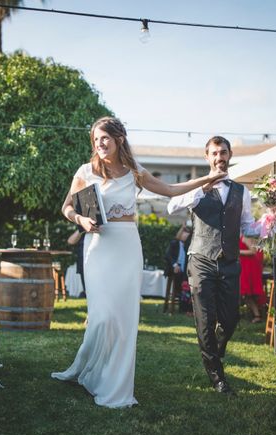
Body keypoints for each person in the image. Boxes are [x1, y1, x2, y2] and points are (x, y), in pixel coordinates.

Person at [52, 117, 225, 408]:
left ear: (118, 138)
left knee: (123, 319)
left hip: (128, 246)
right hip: (98, 247)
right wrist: (80, 218)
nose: (99, 144)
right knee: (102, 317)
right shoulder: (86, 171)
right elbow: (67, 207)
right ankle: (90, 370)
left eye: (104, 138)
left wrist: (207, 178)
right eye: (95, 140)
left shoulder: (134, 172)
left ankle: (114, 385)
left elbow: (170, 190)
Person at [167, 135, 265, 395]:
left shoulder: (241, 191)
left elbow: (246, 227)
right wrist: (201, 188)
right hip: (201, 260)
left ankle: (215, 353)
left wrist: (267, 223)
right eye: (214, 153)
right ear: (207, 157)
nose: (219, 158)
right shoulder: (197, 187)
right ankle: (217, 376)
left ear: (229, 155)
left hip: (230, 262)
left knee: (231, 319)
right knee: (206, 320)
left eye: (223, 152)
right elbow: (171, 206)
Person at [163, 225, 192, 313]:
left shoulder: (187, 245)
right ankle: (180, 298)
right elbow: (168, 255)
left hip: (183, 269)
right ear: (180, 233)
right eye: (184, 233)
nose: (185, 236)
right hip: (174, 268)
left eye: (187, 234)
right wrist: (174, 265)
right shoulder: (174, 242)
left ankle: (185, 305)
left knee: (189, 278)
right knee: (179, 275)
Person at [239, 235, 266, 323]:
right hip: (244, 266)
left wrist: (237, 252)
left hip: (249, 267)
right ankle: (256, 314)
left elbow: (253, 251)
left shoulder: (245, 237)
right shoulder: (241, 236)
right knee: (246, 293)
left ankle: (258, 315)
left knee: (248, 292)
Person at [67, 229, 86, 297]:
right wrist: (81, 228)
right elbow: (70, 241)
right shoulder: (82, 230)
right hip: (83, 262)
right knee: (87, 289)